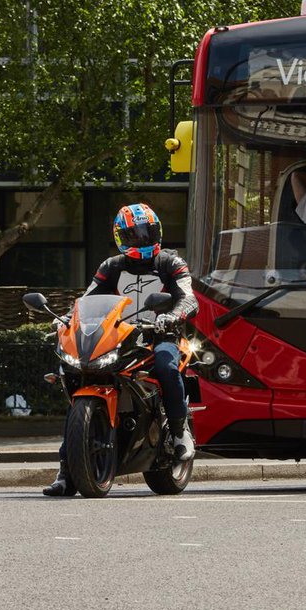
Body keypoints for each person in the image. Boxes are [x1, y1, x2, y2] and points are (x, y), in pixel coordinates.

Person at [43, 202, 199, 497]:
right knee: (78, 378)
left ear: (158, 232)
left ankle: (179, 432)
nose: (141, 240)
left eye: (146, 233)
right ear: (119, 237)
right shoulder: (111, 267)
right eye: (133, 235)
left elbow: (189, 298)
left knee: (166, 367)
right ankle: (67, 471)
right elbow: (86, 300)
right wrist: (66, 320)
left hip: (160, 336)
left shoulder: (171, 263)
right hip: (122, 339)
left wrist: (172, 316)